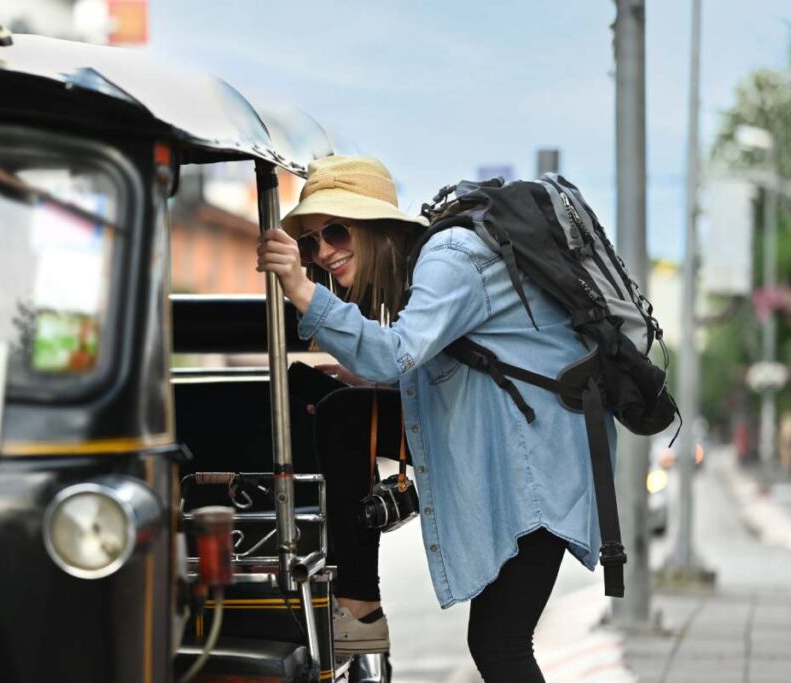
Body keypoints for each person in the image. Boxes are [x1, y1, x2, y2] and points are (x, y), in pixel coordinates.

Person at [257, 155, 616, 682]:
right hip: (510, 441)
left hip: (540, 463)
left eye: (336, 232)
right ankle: (358, 601)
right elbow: (454, 362)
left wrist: (301, 288)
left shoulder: (449, 258)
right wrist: (372, 376)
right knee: (333, 404)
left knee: (500, 643)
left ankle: (358, 603)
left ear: (379, 228)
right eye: (310, 243)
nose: (323, 252)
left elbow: (394, 352)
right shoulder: (431, 267)